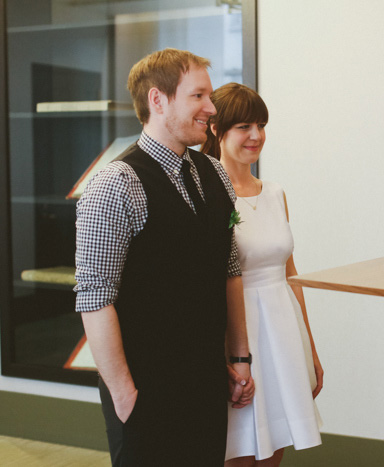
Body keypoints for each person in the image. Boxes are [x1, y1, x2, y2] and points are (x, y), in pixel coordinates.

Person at [75, 48, 254, 466]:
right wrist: (124, 395)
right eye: (199, 97)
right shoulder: (116, 185)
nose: (211, 108)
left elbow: (227, 269)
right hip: (145, 390)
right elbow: (94, 297)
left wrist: (238, 358)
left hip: (206, 383)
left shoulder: (214, 175)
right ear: (158, 100)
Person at [201, 82, 323, 466]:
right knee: (237, 448)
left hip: (284, 330)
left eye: (261, 125)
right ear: (216, 130)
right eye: (243, 127)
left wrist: (311, 348)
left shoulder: (274, 192)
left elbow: (290, 272)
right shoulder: (207, 193)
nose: (256, 136)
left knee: (277, 445)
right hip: (238, 332)